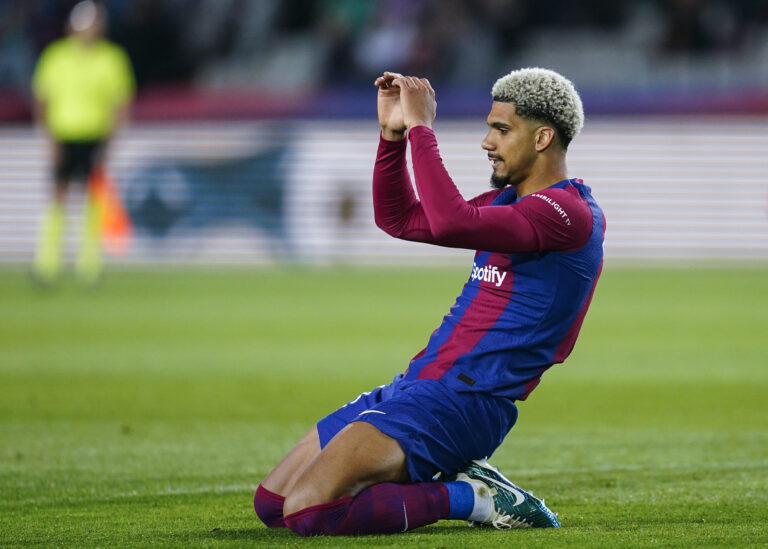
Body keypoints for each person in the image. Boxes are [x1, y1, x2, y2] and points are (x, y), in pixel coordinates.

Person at [254, 67, 605, 536]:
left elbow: (448, 220)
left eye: (501, 129)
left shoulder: (567, 215)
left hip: (469, 400)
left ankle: (474, 497)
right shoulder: (509, 205)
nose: (487, 141)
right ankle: (449, 486)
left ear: (543, 138)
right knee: (272, 504)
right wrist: (392, 136)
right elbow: (399, 219)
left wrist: (422, 128)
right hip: (421, 385)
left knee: (308, 512)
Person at [32, 0, 134, 286]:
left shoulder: (112, 58)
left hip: (95, 137)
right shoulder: (56, 57)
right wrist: (49, 138)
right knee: (57, 198)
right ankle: (47, 264)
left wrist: (111, 142)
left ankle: (88, 267)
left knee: (94, 201)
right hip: (63, 135)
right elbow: (42, 100)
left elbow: (120, 104)